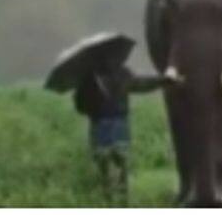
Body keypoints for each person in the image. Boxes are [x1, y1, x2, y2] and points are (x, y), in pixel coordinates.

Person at [73, 61, 172, 204]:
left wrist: (91, 105)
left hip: (101, 124)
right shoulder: (121, 72)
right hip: (118, 123)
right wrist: (164, 81)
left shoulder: (88, 76)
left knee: (105, 165)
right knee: (119, 163)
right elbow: (141, 84)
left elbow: (79, 105)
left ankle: (109, 199)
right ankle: (122, 200)